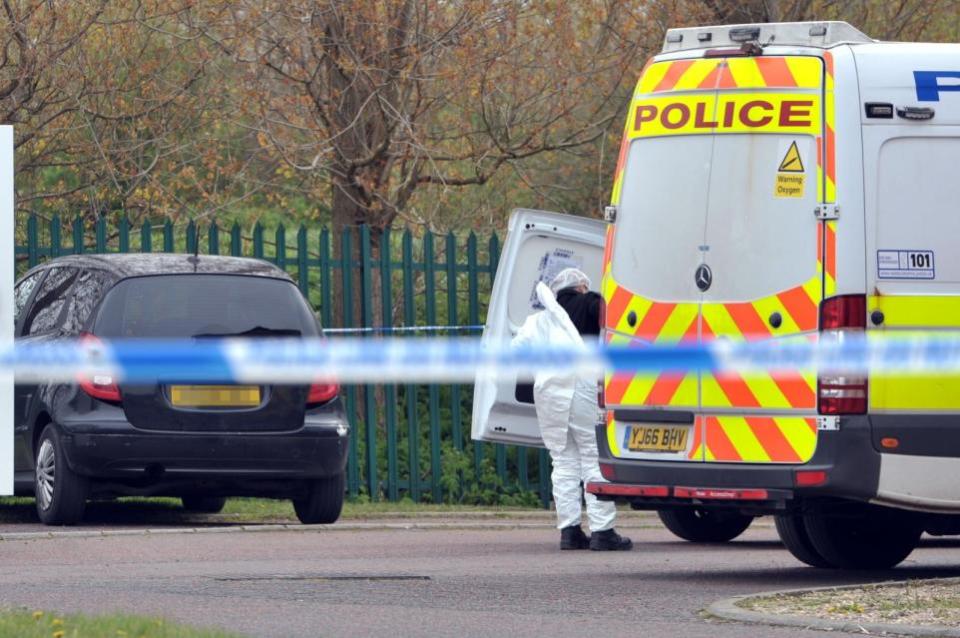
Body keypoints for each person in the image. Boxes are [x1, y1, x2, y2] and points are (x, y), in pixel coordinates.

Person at [512, 267, 632, 551]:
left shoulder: (538, 321)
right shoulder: (590, 302)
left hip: (549, 393)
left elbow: (516, 349)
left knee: (563, 461)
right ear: (580, 286)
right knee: (593, 456)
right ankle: (603, 532)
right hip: (581, 388)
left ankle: (570, 531)